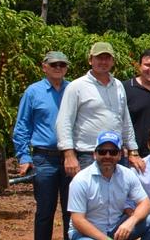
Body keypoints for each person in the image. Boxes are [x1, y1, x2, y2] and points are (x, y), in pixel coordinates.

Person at [13, 50, 74, 240]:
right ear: (44, 66)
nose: (59, 68)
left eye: (62, 65)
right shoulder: (33, 92)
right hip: (44, 157)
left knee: (73, 208)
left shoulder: (73, 89)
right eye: (54, 64)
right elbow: (22, 125)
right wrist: (23, 155)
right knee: (45, 208)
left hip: (70, 157)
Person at [56, 41, 141, 177]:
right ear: (90, 60)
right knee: (89, 197)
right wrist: (69, 155)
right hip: (88, 155)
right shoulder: (76, 86)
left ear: (113, 61)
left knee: (118, 196)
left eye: (107, 58)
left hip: (115, 154)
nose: (103, 61)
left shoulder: (118, 85)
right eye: (99, 58)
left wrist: (133, 150)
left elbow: (125, 120)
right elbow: (64, 122)